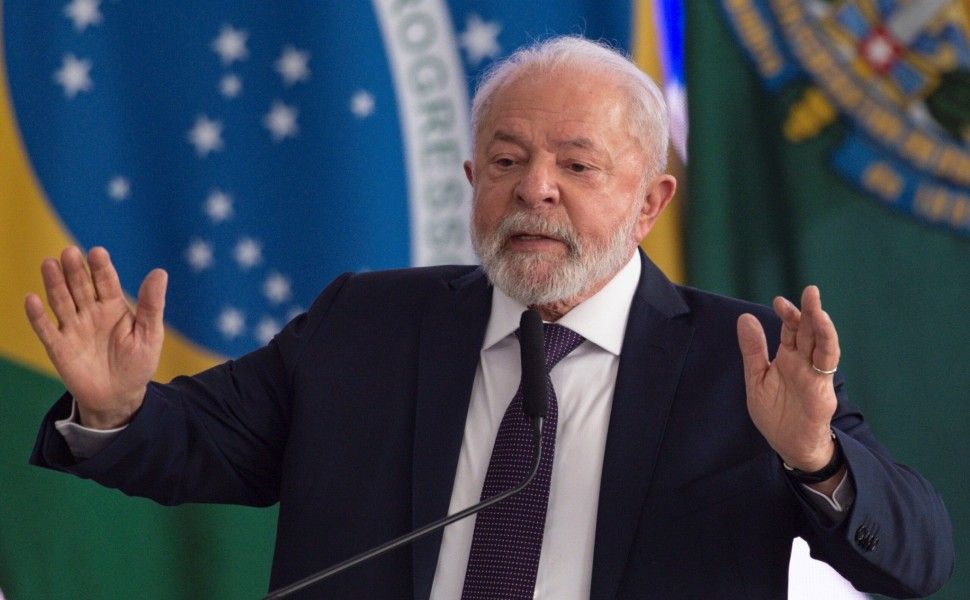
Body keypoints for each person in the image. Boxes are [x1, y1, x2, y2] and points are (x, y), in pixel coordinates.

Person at [26, 37, 952, 599]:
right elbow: (198, 444)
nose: (533, 188)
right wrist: (115, 408)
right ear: (472, 182)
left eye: (577, 166)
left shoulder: (739, 361)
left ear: (650, 202)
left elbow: (916, 558)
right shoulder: (367, 325)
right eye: (505, 161)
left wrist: (817, 462)